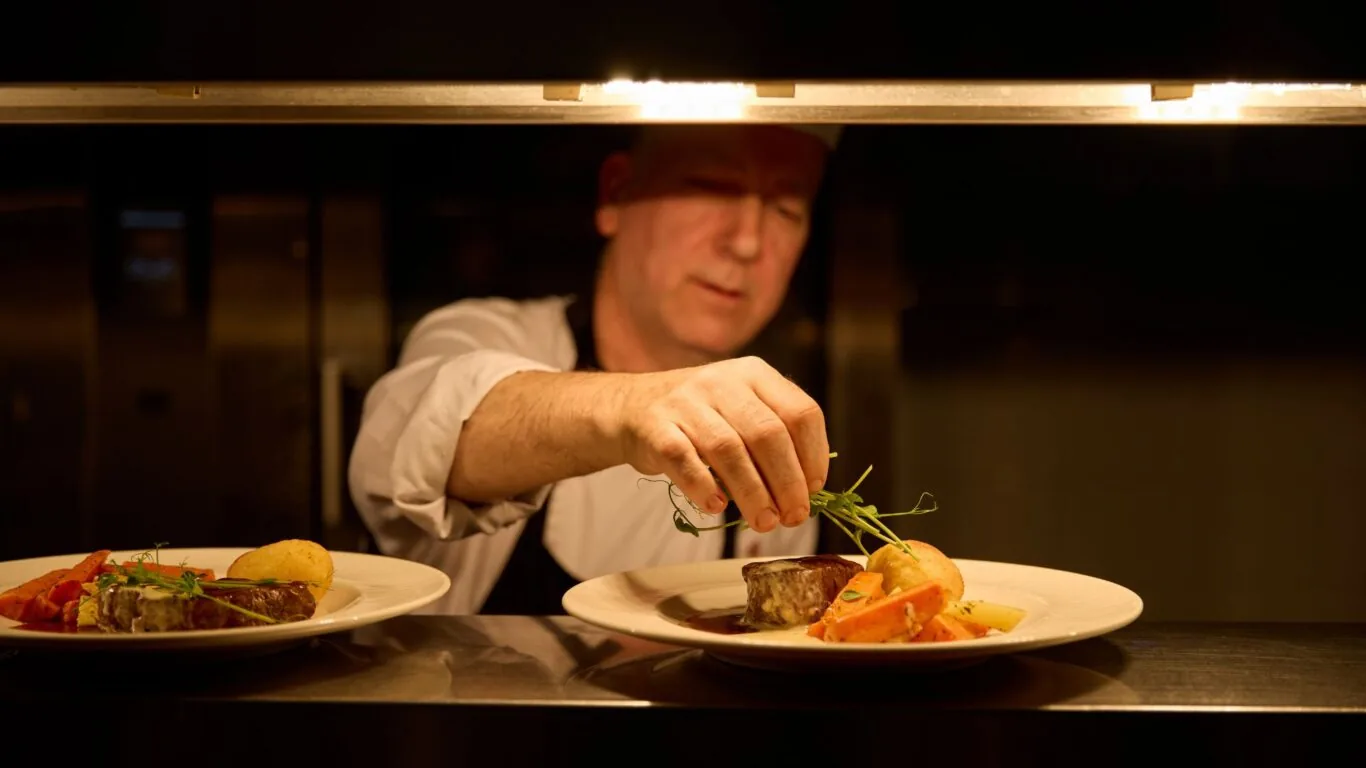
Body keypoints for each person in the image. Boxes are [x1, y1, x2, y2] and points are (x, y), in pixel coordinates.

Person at [348, 123, 841, 615]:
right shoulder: (482, 334)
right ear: (615, 194)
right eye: (710, 187)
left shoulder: (772, 435)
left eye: (786, 208)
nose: (748, 242)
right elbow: (413, 449)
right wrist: (632, 409)